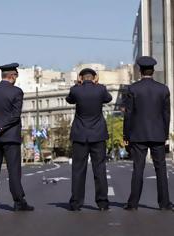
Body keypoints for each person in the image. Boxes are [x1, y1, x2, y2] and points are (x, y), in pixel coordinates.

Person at [0, 63, 34, 212]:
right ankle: (19, 202)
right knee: (14, 171)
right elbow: (14, 116)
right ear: (12, 76)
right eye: (16, 76)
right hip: (10, 137)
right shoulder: (16, 92)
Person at [123, 56, 173, 211]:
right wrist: (165, 134)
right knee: (161, 169)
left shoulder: (133, 89)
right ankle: (164, 203)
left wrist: (126, 135)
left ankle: (133, 203)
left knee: (138, 168)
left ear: (140, 71)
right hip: (158, 134)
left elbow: (129, 114)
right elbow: (166, 114)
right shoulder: (163, 89)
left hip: (138, 135)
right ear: (153, 71)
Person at [66, 68, 112, 211]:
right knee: (100, 169)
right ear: (94, 77)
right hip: (98, 134)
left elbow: (69, 100)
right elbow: (109, 98)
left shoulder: (75, 90)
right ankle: (102, 202)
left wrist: (78, 85)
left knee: (78, 169)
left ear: (81, 78)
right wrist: (97, 84)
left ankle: (76, 203)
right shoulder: (101, 89)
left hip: (80, 135)